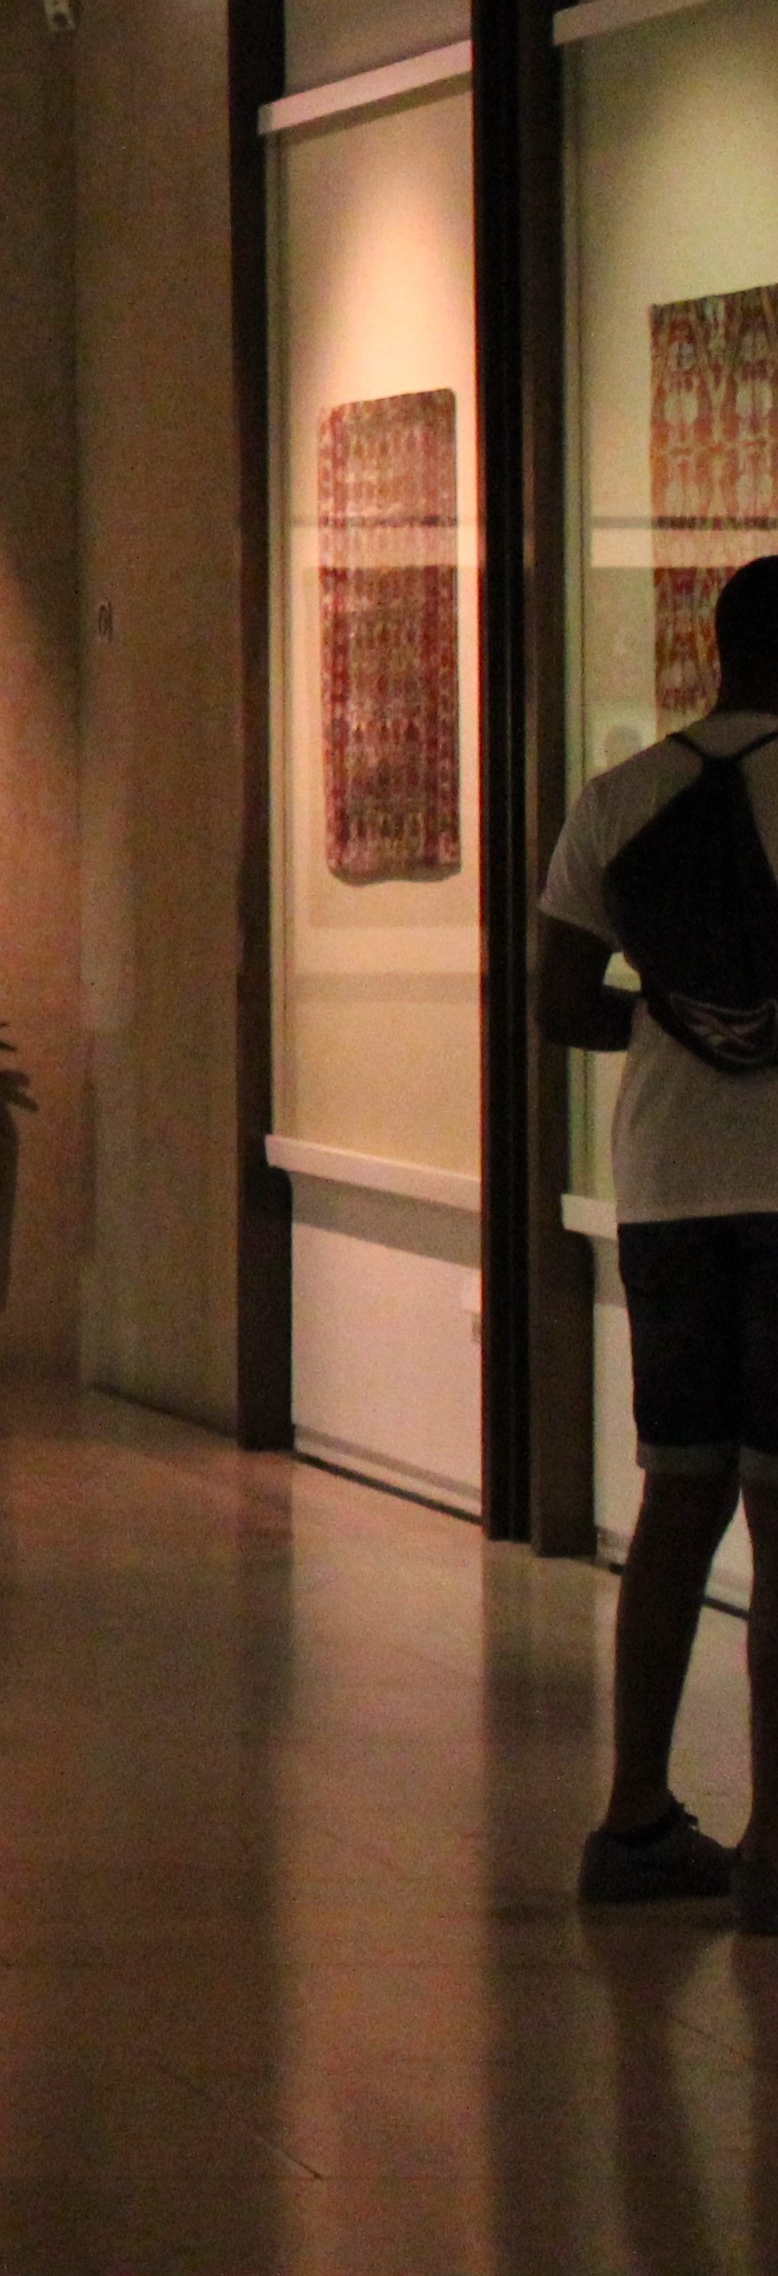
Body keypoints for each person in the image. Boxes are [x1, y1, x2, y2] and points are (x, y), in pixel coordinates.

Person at [549, 553, 778, 1918]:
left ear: (717, 649)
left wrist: (676, 1018)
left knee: (678, 1498)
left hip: (670, 1186)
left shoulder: (624, 799)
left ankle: (634, 1816)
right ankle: (774, 1850)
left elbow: (557, 1002)